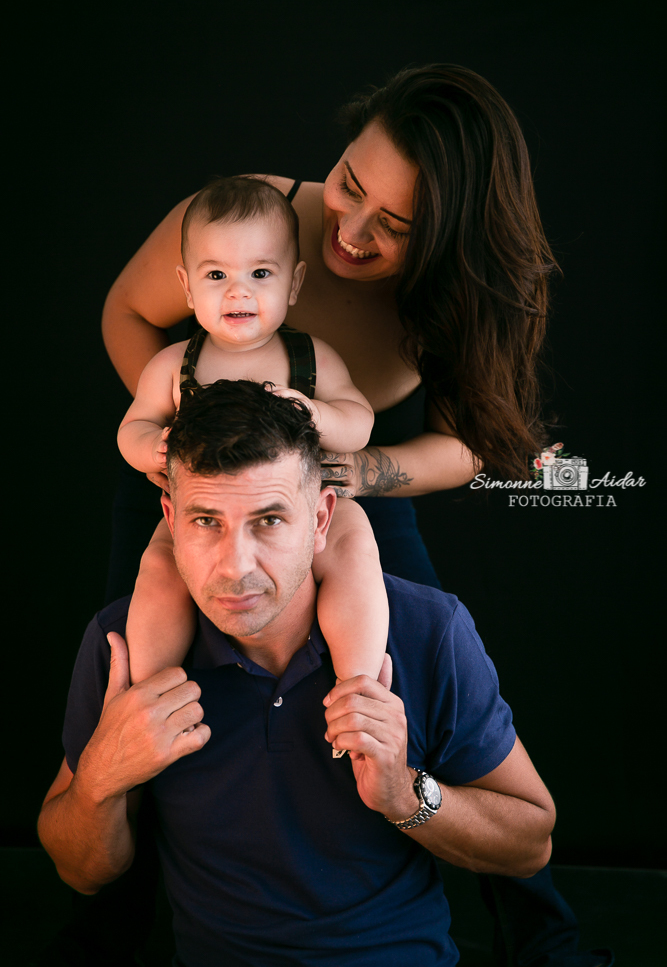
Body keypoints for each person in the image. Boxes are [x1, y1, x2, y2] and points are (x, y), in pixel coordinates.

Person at [99, 64, 611, 967]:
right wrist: (185, 444)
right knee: (142, 686)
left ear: (449, 239)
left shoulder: (462, 294)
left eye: (396, 226)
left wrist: (360, 469)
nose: (350, 228)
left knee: (428, 680)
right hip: (203, 479)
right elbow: (128, 314)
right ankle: (109, 926)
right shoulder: (247, 220)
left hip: (352, 486)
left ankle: (541, 934)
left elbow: (475, 444)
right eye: (348, 183)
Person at [39, 380, 557, 967]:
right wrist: (101, 778)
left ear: (320, 519)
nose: (235, 566)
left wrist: (404, 793)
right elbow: (81, 872)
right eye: (206, 520)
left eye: (268, 520)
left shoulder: (425, 631)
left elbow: (530, 846)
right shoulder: (124, 644)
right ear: (170, 520)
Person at [118, 174, 387, 690]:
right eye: (216, 274)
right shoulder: (173, 365)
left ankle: (358, 684)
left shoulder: (312, 358)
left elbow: (360, 421)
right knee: (158, 567)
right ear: (186, 287)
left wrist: (317, 413)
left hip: (305, 506)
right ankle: (151, 691)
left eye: (260, 273)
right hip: (207, 515)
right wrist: (151, 448)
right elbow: (133, 427)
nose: (238, 290)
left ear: (294, 283)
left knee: (355, 547)